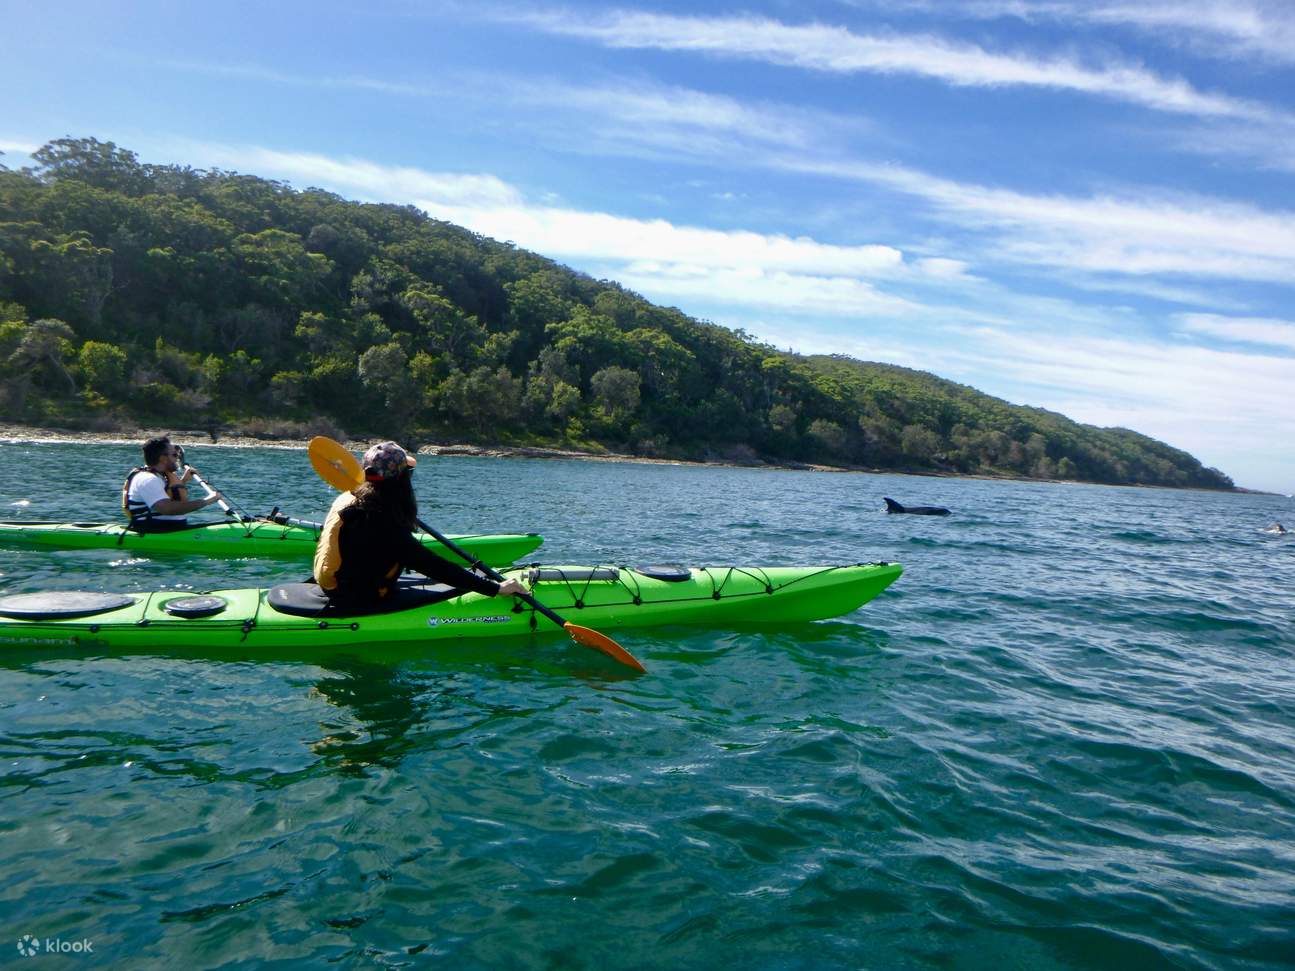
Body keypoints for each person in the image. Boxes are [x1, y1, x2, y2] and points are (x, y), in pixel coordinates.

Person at [313, 441, 527, 611]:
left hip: (334, 583)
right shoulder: (379, 519)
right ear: (400, 480)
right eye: (409, 473)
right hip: (354, 595)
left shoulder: (351, 497)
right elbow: (429, 564)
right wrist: (495, 588)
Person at [122, 436, 223, 531]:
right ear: (163, 458)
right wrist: (208, 500)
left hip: (171, 530)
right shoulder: (148, 479)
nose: (177, 458)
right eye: (174, 455)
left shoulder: (160, 476)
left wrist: (183, 481)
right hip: (154, 530)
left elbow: (165, 494)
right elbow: (167, 509)